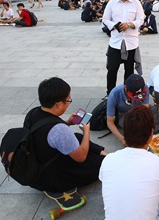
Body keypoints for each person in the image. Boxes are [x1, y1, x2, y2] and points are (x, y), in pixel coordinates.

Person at [24, 77, 106, 210]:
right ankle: (105, 158)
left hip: (39, 162)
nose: (69, 103)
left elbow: (47, 134)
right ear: (59, 104)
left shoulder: (33, 113)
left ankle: (105, 154)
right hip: (55, 175)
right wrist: (87, 132)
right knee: (100, 162)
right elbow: (81, 157)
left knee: (76, 136)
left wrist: (67, 122)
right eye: (68, 100)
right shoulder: (59, 130)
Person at [102, 0, 145, 95]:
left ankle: (128, 94)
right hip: (116, 42)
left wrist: (130, 24)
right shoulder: (112, 3)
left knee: (129, 71)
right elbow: (105, 19)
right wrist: (114, 25)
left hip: (131, 43)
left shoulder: (136, 3)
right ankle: (110, 94)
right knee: (112, 70)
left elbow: (141, 19)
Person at [106, 74, 159, 145]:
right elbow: (110, 122)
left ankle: (147, 128)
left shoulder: (145, 88)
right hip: (125, 114)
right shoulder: (114, 94)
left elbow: (145, 110)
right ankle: (151, 127)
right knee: (130, 126)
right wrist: (122, 139)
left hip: (140, 109)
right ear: (125, 88)